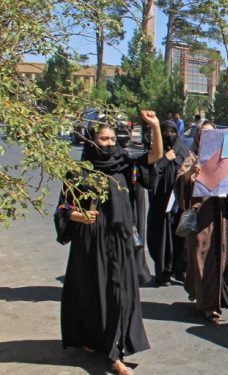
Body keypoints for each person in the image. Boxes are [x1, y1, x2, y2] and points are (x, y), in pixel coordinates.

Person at [54, 110, 163, 375]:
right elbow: (62, 208)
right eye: (103, 139)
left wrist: (155, 127)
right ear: (92, 141)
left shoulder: (124, 164)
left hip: (119, 239)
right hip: (89, 242)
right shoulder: (78, 171)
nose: (109, 143)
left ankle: (117, 353)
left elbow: (154, 158)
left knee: (120, 293)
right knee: (91, 292)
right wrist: (77, 215)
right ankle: (94, 338)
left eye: (112, 138)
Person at [175, 120, 228, 324]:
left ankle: (214, 296)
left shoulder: (225, 158)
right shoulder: (192, 157)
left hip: (222, 216)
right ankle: (209, 305)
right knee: (204, 257)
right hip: (202, 218)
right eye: (205, 134)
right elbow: (180, 182)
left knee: (224, 257)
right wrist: (189, 177)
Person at [147, 120, 189, 286]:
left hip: (179, 204)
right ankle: (163, 273)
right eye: (165, 131)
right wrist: (164, 160)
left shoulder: (184, 152)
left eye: (172, 131)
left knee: (181, 240)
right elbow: (150, 175)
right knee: (162, 240)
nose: (169, 134)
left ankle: (180, 271)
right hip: (160, 205)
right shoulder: (155, 152)